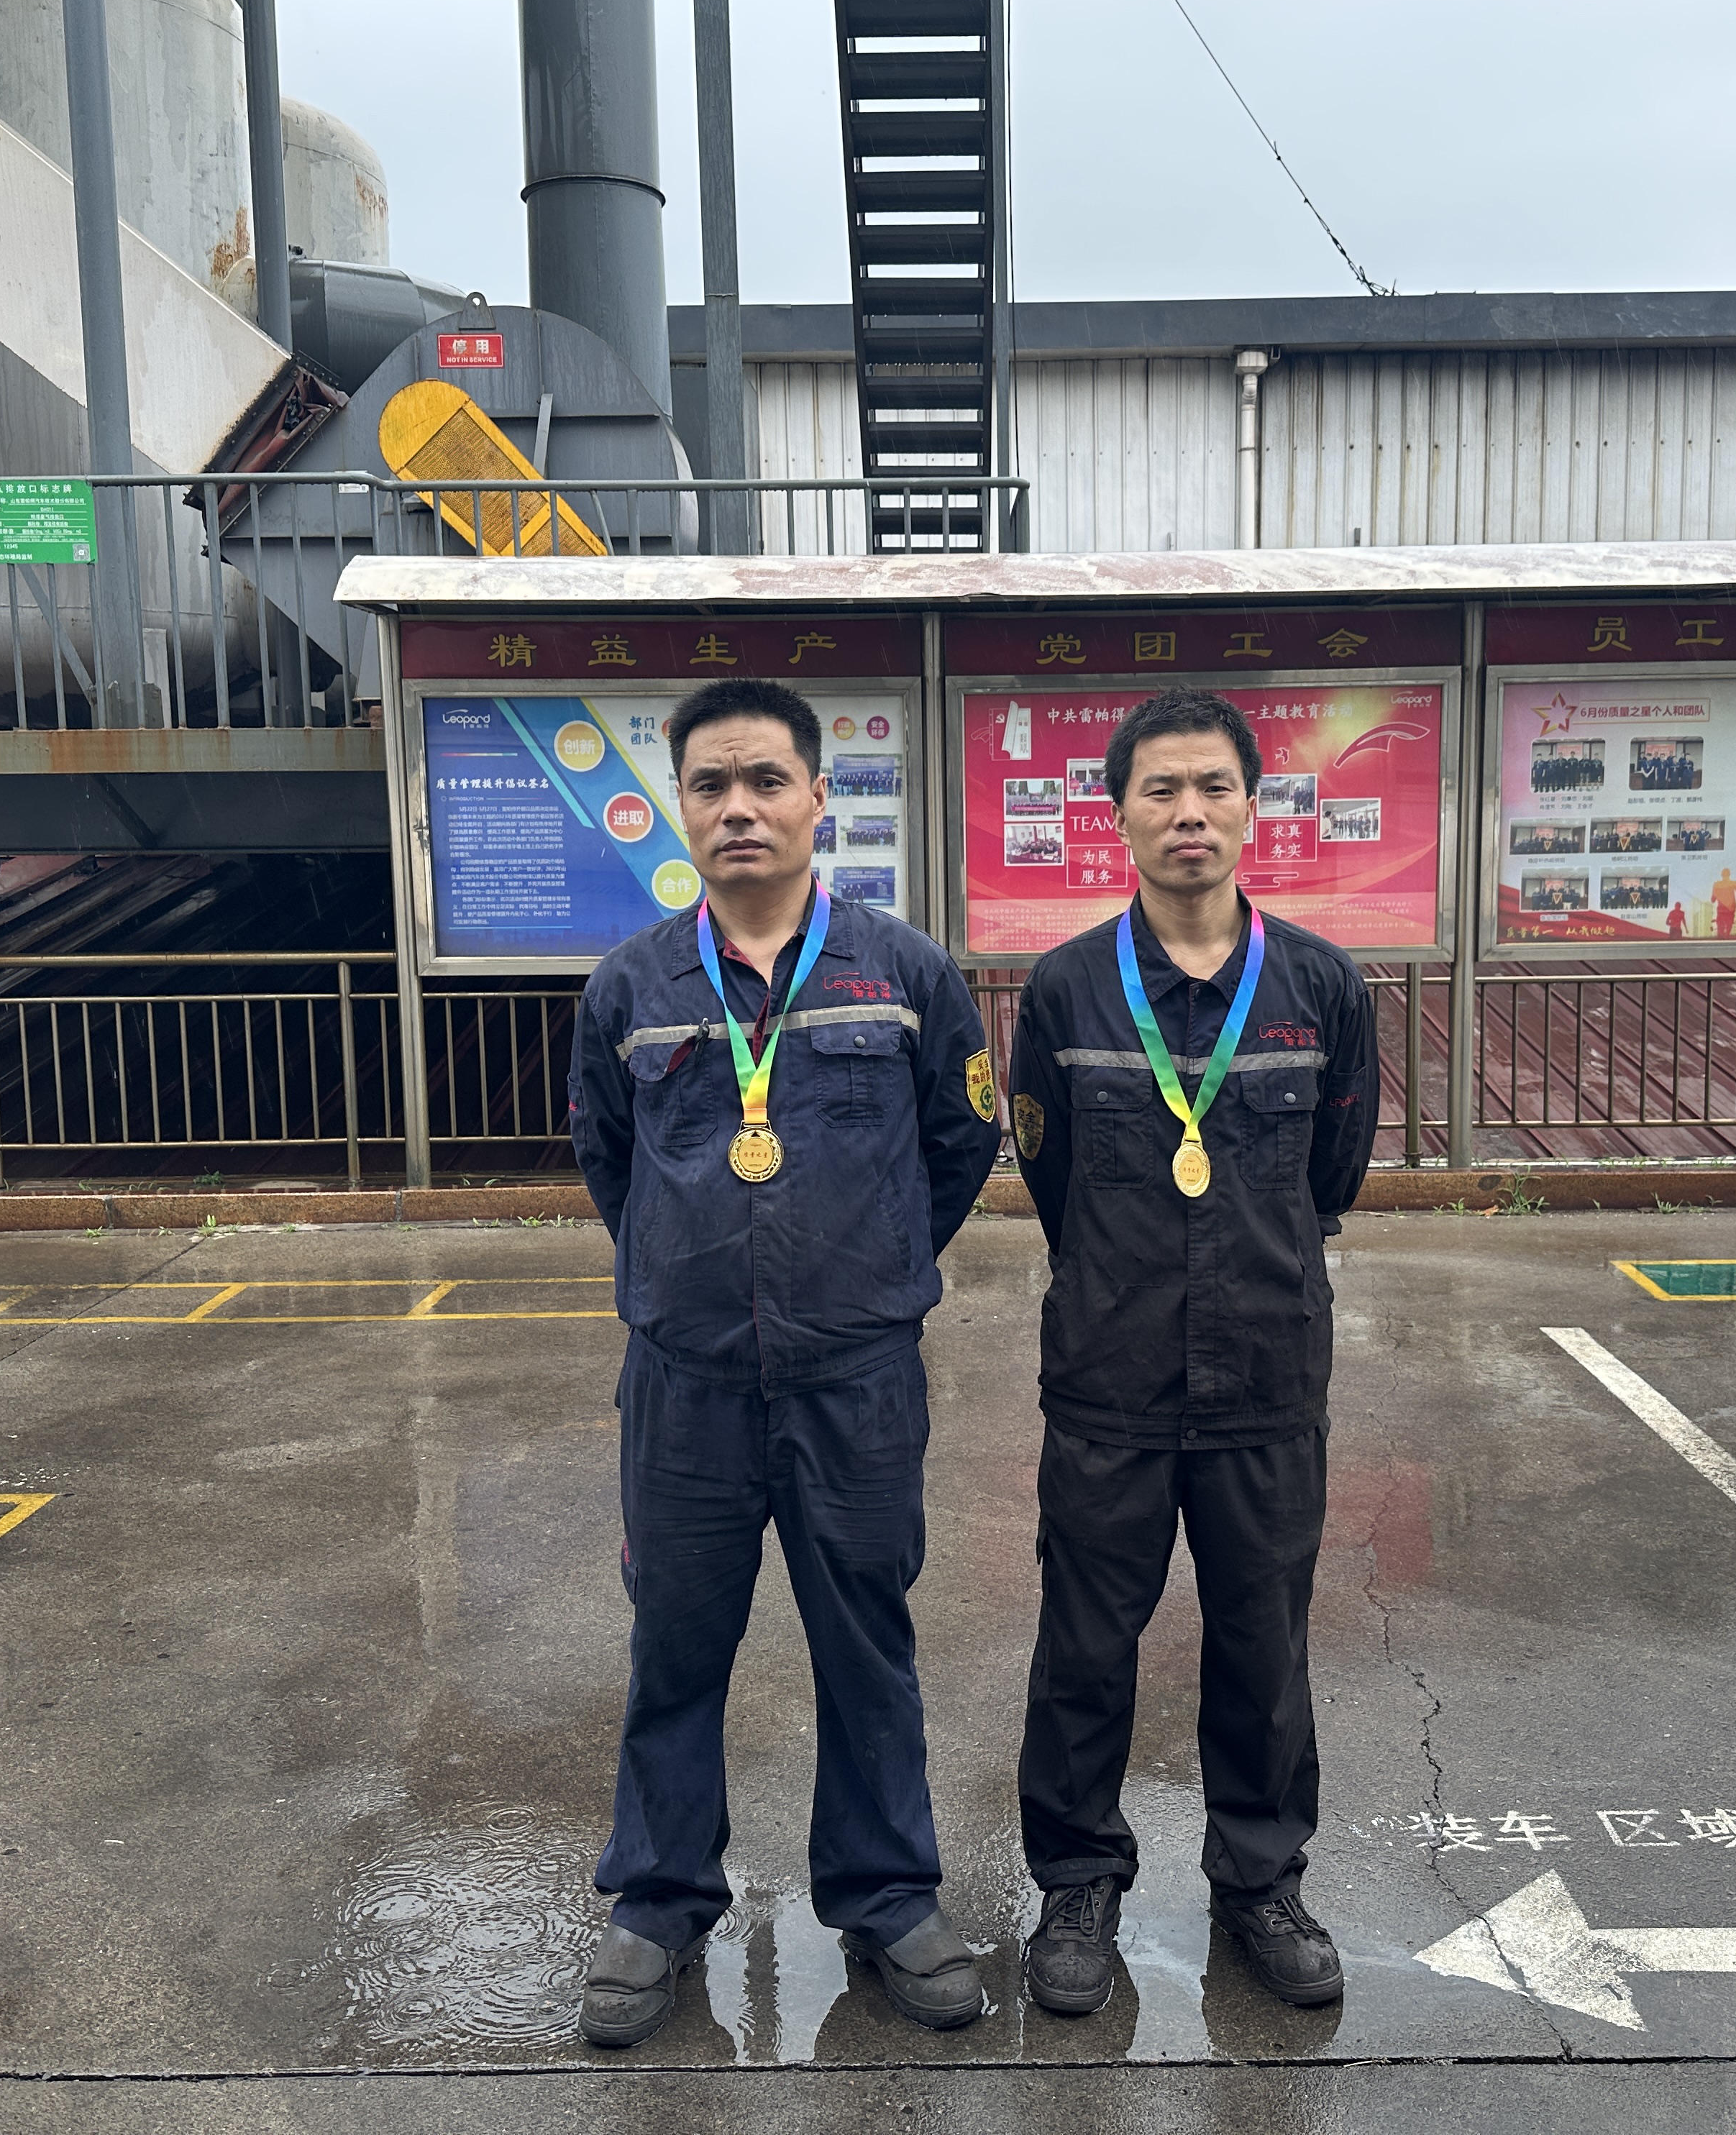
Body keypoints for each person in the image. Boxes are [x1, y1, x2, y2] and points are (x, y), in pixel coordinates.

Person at [566, 678, 1005, 2048]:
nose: (740, 807)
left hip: (855, 1384)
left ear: (821, 797)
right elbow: (610, 1163)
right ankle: (658, 1901)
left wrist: (865, 1275)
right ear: (682, 807)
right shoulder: (631, 985)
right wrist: (690, 1273)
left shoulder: (907, 974)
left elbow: (959, 1147)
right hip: (684, 1385)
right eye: (711, 784)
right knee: (675, 1643)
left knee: (866, 1642)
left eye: (767, 780)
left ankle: (886, 1897)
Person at [1005, 689, 1380, 2019]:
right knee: (1085, 1647)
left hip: (1267, 1379)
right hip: (1108, 1383)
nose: (1189, 814)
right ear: (1118, 816)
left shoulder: (1321, 986)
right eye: (1160, 790)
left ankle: (1261, 1882)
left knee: (1264, 1647)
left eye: (1214, 787)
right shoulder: (1065, 987)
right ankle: (1076, 1884)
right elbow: (1049, 1176)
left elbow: (1333, 1172)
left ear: (1252, 808)